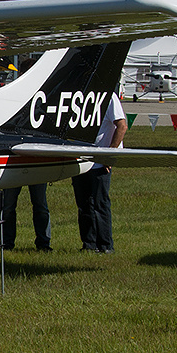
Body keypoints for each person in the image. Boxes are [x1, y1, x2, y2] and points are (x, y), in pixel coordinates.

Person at [71, 90, 127, 253]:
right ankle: (89, 244)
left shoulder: (109, 97)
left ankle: (105, 245)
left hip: (100, 163)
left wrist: (109, 154)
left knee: (100, 203)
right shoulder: (78, 94)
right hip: (80, 159)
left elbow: (122, 126)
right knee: (83, 204)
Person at [2, 183, 51, 251]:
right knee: (8, 208)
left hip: (37, 173)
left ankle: (44, 244)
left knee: (41, 207)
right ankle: (6, 244)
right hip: (13, 173)